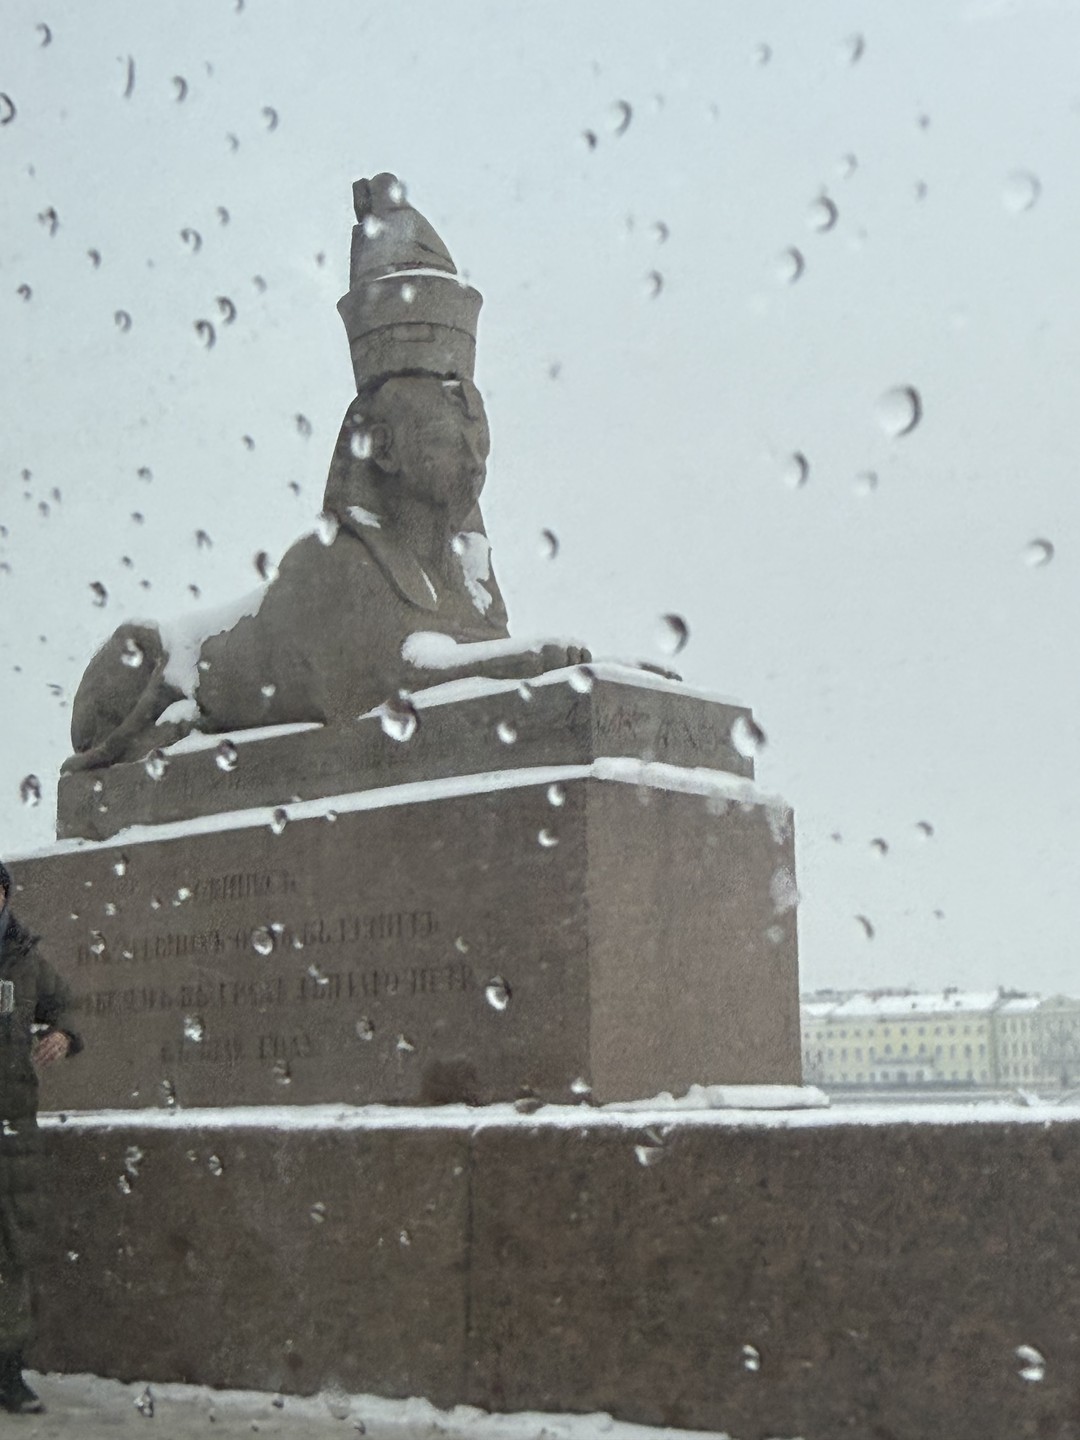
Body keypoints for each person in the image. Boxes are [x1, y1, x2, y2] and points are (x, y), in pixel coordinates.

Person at [0, 859, 82, 1416]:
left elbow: (67, 1004)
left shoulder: (26, 960)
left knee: (10, 1250)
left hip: (12, 1130)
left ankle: (7, 1372)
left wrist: (64, 1034)